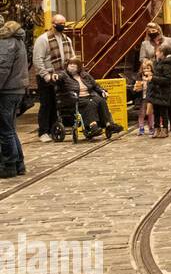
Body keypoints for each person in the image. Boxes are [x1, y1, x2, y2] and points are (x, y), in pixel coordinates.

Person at [54, 57, 123, 140]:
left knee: (101, 100)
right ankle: (92, 126)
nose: (71, 66)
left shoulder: (85, 75)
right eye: (70, 64)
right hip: (74, 99)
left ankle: (109, 124)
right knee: (89, 103)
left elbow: (95, 85)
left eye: (74, 65)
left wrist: (102, 91)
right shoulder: (64, 75)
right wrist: (56, 76)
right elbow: (59, 77)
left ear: (79, 67)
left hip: (89, 96)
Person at [32, 14, 74, 143]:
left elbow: (71, 55)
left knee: (57, 104)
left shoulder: (66, 39)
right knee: (46, 104)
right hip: (47, 76)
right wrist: (45, 75)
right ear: (53, 24)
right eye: (60, 23)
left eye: (64, 23)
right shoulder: (43, 39)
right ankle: (43, 131)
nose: (62, 25)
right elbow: (37, 59)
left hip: (61, 75)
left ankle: (53, 129)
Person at [0, 21, 28, 177]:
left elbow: (2, 68)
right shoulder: (18, 41)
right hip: (16, 89)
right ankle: (19, 164)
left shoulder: (6, 42)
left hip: (7, 91)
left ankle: (9, 165)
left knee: (5, 130)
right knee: (10, 129)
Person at [147, 44, 171, 140]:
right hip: (156, 91)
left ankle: (165, 129)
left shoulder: (167, 64)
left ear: (162, 53)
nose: (156, 53)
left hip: (163, 92)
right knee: (156, 111)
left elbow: (168, 79)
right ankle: (157, 129)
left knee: (163, 111)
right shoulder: (158, 63)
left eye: (157, 51)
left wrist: (153, 78)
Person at [133, 59, 154, 136]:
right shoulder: (139, 77)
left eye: (148, 68)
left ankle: (151, 127)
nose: (146, 70)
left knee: (150, 113)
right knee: (141, 113)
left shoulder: (153, 76)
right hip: (142, 98)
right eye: (144, 68)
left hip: (150, 98)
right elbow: (135, 88)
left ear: (151, 68)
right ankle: (141, 128)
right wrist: (137, 87)